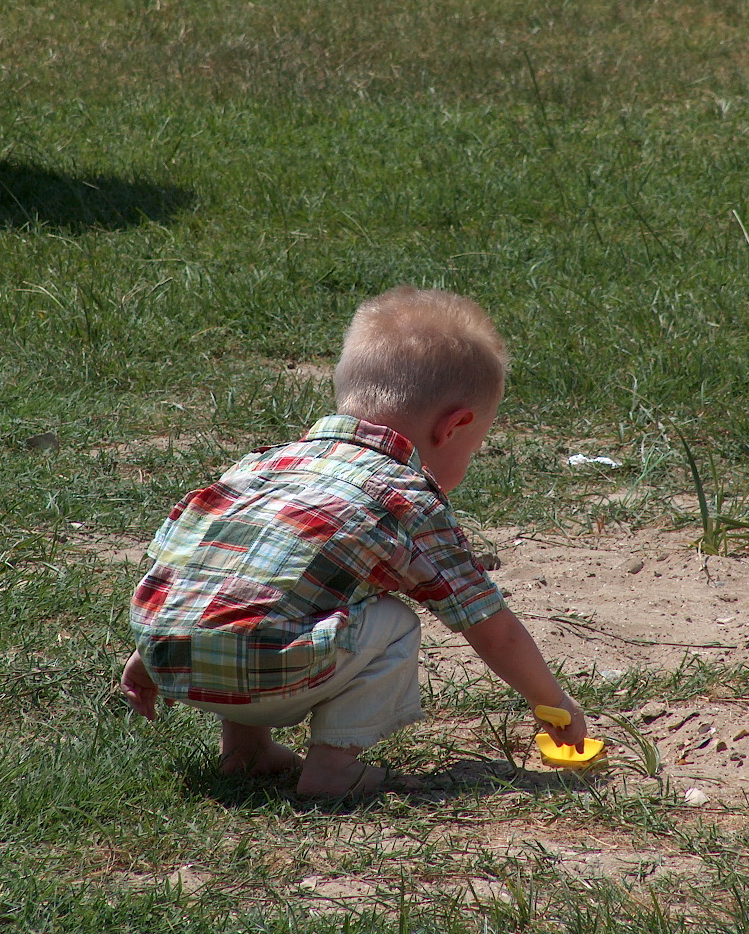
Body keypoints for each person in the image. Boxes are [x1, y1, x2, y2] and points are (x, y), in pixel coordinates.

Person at [118, 286, 590, 797]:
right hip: (266, 674)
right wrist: (554, 704)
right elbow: (491, 628)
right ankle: (333, 769)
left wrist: (150, 655)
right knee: (393, 620)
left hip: (171, 657)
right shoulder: (407, 497)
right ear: (454, 427)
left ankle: (246, 752)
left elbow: (194, 565)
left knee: (272, 589)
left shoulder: (264, 464)